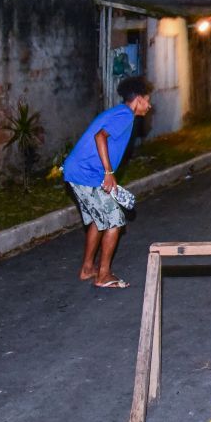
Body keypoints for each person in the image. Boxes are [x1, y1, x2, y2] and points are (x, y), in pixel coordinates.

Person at [63, 76, 152, 287]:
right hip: (86, 174)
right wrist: (109, 172)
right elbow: (100, 137)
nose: (149, 105)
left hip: (83, 173)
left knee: (98, 220)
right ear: (138, 99)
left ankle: (87, 269)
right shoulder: (125, 115)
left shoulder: (118, 113)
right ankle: (103, 275)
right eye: (147, 100)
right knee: (115, 220)